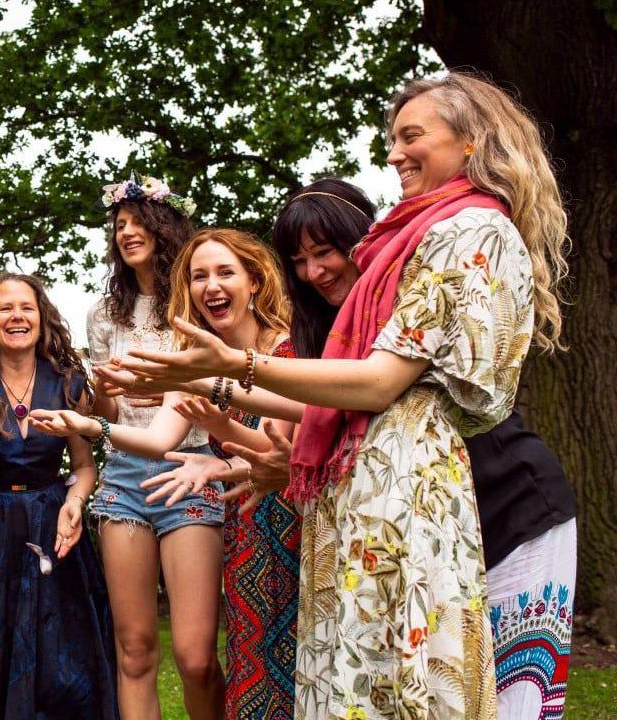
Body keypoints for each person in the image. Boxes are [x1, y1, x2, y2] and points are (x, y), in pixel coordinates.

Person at [115, 72, 571, 719]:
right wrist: (207, 381)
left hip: (489, 505)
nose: (393, 153)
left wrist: (232, 370)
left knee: (466, 696)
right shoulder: (406, 245)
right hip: (381, 501)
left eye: (412, 135)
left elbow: (381, 383)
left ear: (473, 139)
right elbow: (348, 403)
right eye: (391, 139)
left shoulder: (468, 228)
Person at [272, 177, 577, 718]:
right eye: (299, 260)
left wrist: (227, 374)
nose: (314, 271)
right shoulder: (328, 337)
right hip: (426, 537)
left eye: (324, 252)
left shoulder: (412, 290)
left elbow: (379, 391)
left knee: (511, 701)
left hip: (512, 507)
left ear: (361, 239)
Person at [36, 229, 298, 719]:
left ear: (256, 281)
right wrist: (89, 423)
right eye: (200, 276)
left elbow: (283, 447)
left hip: (281, 515)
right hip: (228, 508)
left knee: (208, 657)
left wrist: (218, 448)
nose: (211, 286)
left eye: (224, 273)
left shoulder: (287, 348)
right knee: (196, 655)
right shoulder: (191, 353)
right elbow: (159, 438)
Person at [0, 273, 118, 719]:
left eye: (27, 307)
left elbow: (84, 467)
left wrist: (75, 502)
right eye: (6, 308)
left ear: (41, 316)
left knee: (61, 661)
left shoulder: (70, 382)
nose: (17, 316)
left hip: (52, 525)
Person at [86, 174, 225, 718]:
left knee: (194, 656)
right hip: (123, 475)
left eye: (137, 221)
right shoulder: (104, 316)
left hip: (189, 465)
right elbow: (112, 412)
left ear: (164, 227)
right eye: (119, 225)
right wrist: (99, 395)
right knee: (136, 648)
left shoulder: (195, 304)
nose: (126, 232)